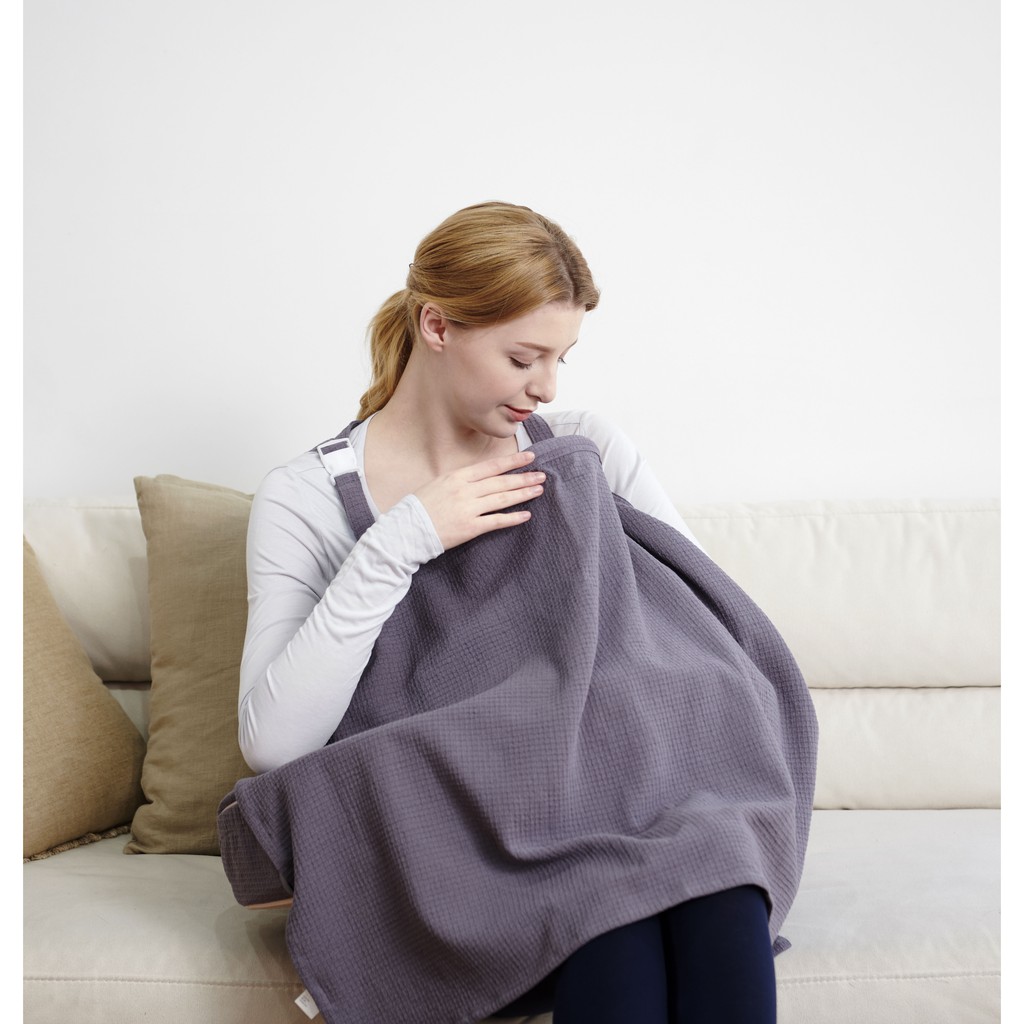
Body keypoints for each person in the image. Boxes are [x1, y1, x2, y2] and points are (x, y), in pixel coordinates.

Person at [235, 202, 799, 1024]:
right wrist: (401, 542)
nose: (547, 387)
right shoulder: (308, 497)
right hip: (474, 820)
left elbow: (701, 625)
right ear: (437, 326)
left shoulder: (583, 450)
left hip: (635, 786)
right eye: (522, 357)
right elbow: (272, 742)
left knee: (721, 883)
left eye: (561, 358)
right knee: (609, 913)